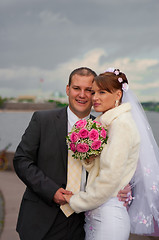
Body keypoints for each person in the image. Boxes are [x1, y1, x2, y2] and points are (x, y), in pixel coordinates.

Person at [13, 67, 131, 240]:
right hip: (41, 219)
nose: (82, 95)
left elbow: (114, 166)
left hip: (81, 222)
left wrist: (123, 186)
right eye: (77, 88)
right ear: (68, 89)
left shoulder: (105, 128)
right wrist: (51, 191)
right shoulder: (42, 120)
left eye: (89, 90)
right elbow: (21, 160)